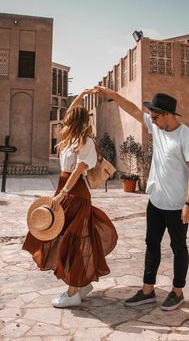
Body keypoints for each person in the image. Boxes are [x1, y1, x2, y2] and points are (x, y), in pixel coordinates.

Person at [90, 87, 189, 311]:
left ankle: (177, 292)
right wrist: (110, 92)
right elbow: (131, 109)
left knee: (178, 247)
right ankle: (147, 290)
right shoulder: (157, 128)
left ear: (168, 114)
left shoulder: (187, 136)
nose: (152, 121)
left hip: (177, 206)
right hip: (156, 202)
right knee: (151, 244)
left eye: (155, 116)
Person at [22, 92, 118, 308]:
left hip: (75, 193)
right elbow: (70, 113)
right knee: (66, 238)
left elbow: (79, 169)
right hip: (67, 190)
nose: (66, 119)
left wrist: (63, 193)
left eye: (69, 117)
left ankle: (74, 291)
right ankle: (81, 285)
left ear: (74, 121)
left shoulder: (84, 142)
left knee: (72, 241)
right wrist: (82, 95)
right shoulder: (72, 139)